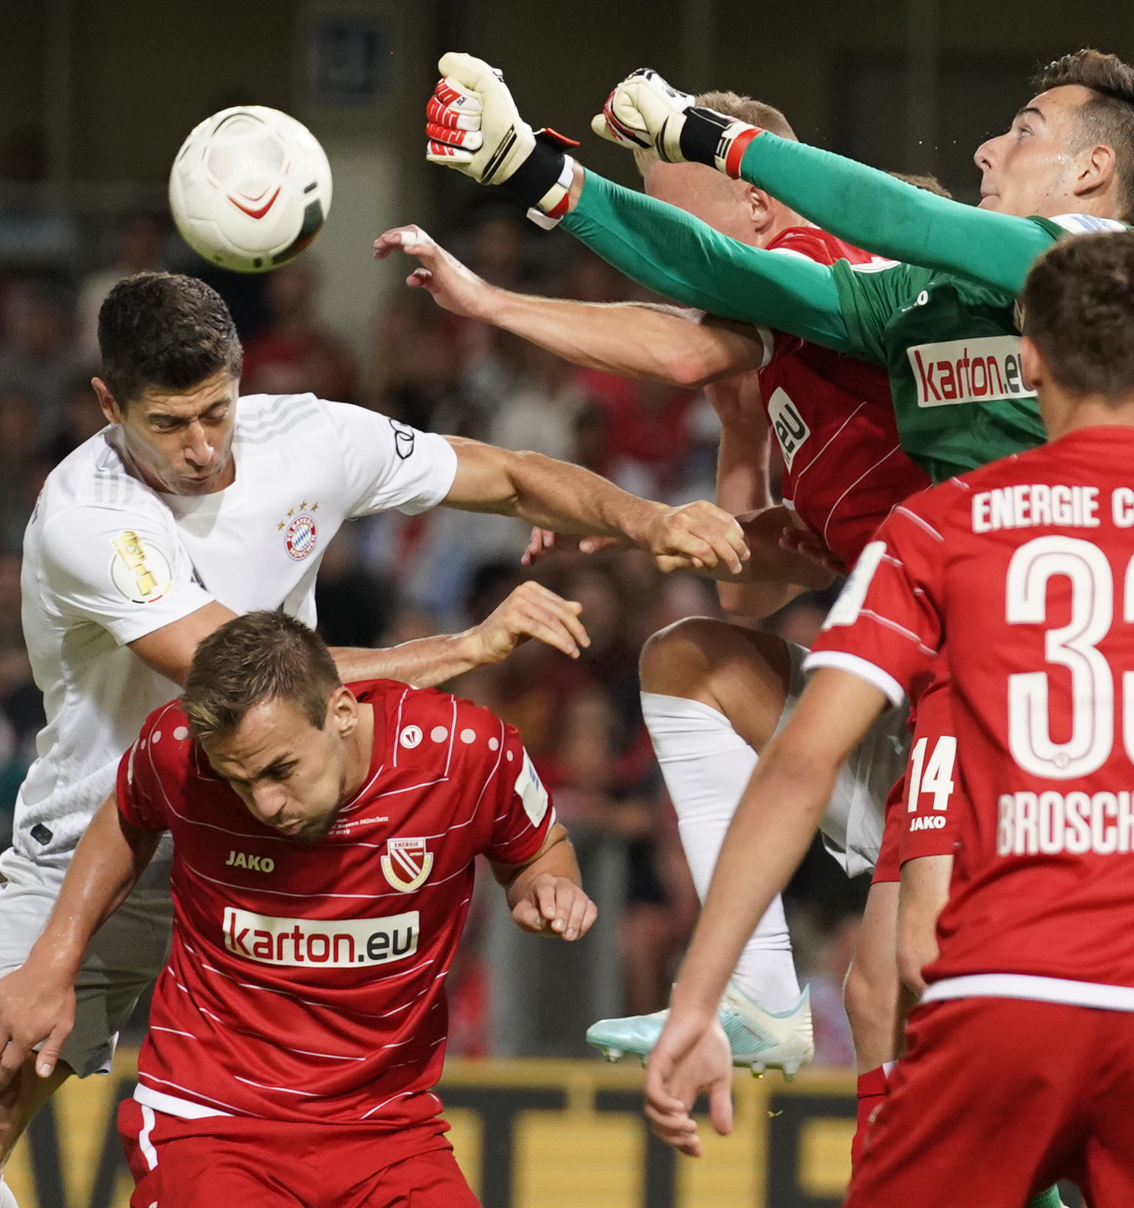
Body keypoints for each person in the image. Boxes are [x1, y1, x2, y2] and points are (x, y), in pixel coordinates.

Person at [0, 270, 747, 1208]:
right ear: (109, 404)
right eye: (168, 423)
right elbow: (247, 673)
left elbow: (507, 475)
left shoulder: (303, 436)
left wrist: (652, 521)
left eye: (216, 412)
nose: (199, 448)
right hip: (105, 848)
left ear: (240, 375)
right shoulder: (90, 519)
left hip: (282, 833)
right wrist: (462, 647)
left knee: (322, 1147)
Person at [642, 230, 1134, 1205]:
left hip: (1000, 1002)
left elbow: (799, 764)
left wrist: (702, 997)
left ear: (1031, 359)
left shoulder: (937, 525)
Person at [381, 87, 928, 1086]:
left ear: (762, 211)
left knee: (892, 992)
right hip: (926, 712)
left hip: (1000, 713)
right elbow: (747, 595)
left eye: (677, 225)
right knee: (688, 659)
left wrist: (491, 301)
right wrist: (719, 455)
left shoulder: (823, 269)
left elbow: (675, 343)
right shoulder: (778, 363)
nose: (667, 253)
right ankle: (757, 997)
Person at [0, 610, 595, 1206]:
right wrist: (53, 962)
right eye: (240, 781)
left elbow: (540, 849)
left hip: (387, 1128)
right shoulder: (179, 752)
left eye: (280, 769)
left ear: (342, 710)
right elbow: (125, 815)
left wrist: (548, 884)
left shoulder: (464, 751)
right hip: (212, 1122)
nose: (265, 803)